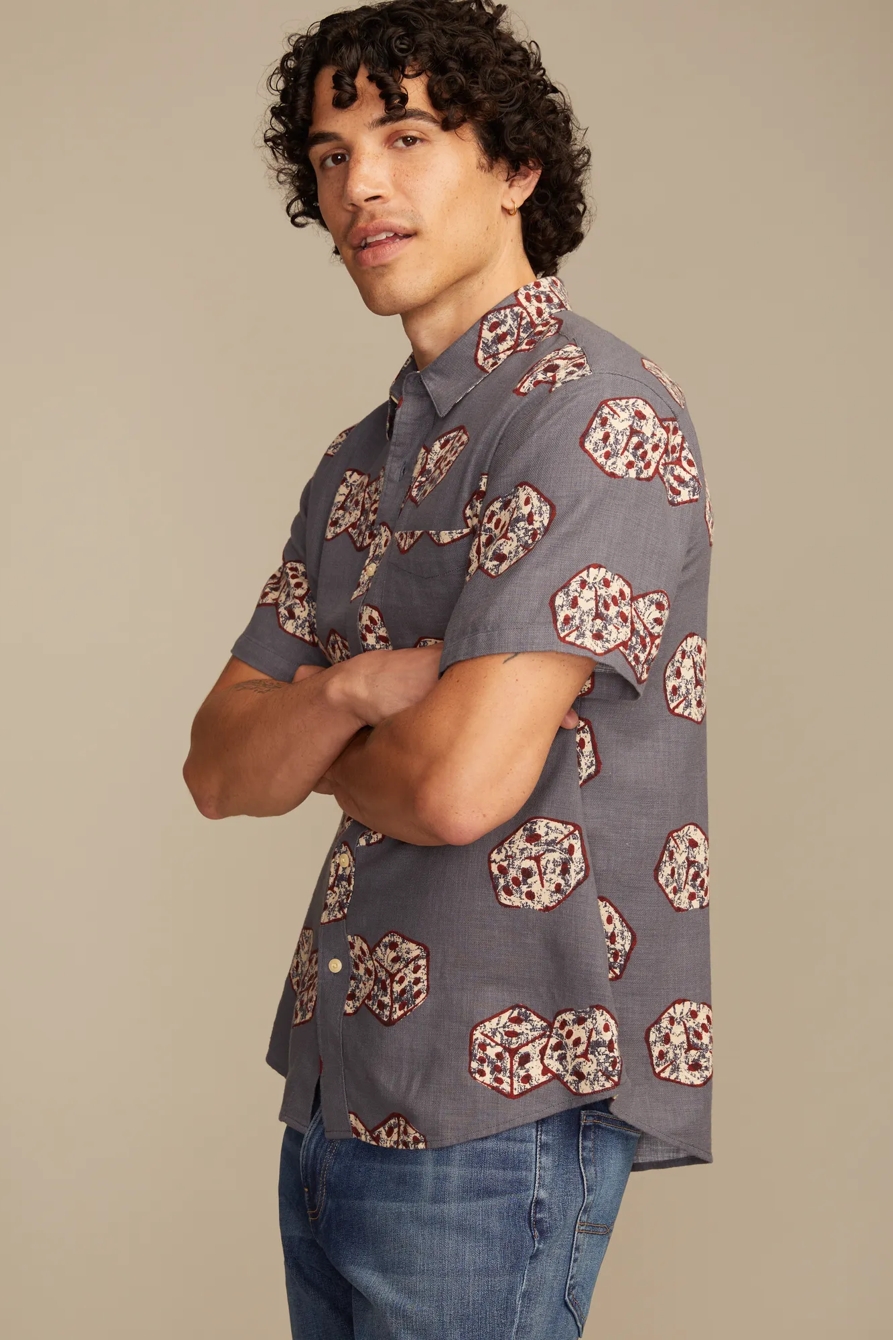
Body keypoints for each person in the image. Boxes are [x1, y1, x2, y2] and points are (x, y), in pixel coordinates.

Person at [183, 1, 714, 1335]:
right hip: (336, 1081)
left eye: (405, 136)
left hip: (500, 1099)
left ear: (515, 165)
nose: (358, 183)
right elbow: (218, 768)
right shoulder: (359, 461)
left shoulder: (597, 415)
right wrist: (353, 692)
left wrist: (311, 740)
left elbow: (458, 786)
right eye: (330, 155)